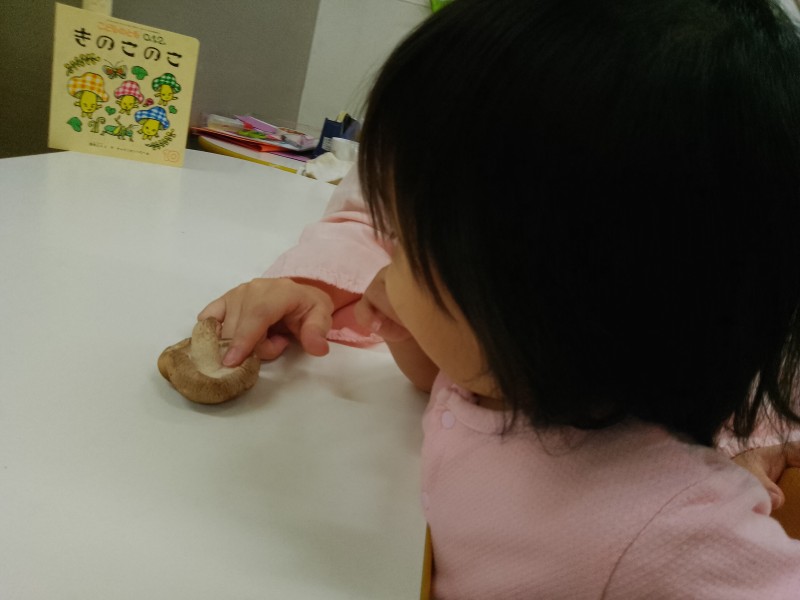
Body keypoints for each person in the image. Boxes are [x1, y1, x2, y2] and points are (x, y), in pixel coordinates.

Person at [199, 0, 800, 596]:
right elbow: (436, 380)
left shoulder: (666, 528)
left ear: (543, 292)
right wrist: (404, 321)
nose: (387, 263)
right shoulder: (507, 374)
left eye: (405, 243)